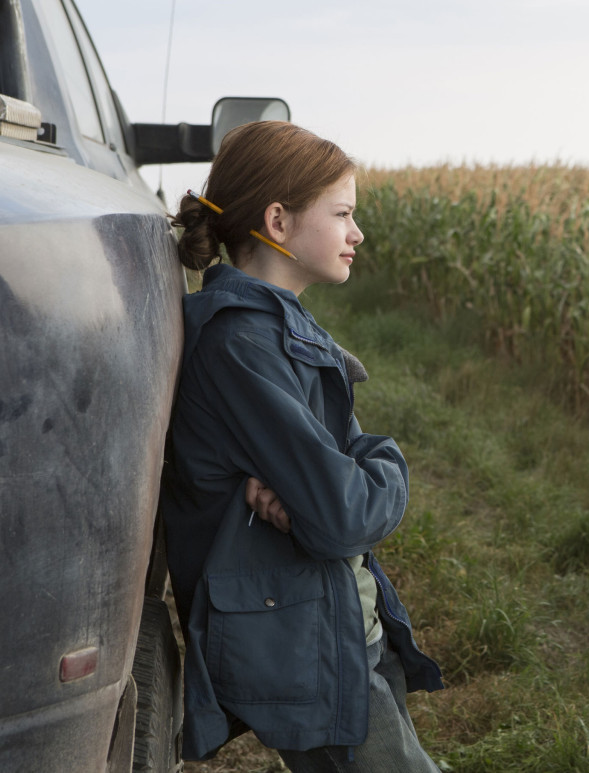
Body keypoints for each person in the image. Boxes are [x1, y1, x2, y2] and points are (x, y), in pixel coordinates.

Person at [163, 120, 444, 771]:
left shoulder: (273, 328)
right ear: (278, 221)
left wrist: (349, 473)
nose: (357, 233)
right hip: (308, 644)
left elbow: (337, 490)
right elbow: (344, 514)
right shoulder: (244, 346)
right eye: (343, 213)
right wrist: (385, 464)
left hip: (338, 623)